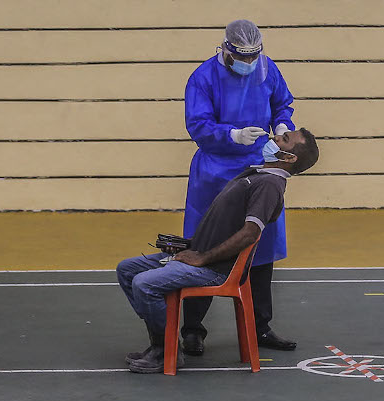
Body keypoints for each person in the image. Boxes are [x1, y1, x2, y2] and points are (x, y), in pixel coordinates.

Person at [117, 129, 319, 373]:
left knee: (144, 284)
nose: (276, 137)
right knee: (127, 270)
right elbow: (225, 226)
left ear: (289, 158)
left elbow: (250, 233)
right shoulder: (259, 174)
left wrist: (202, 257)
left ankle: (164, 350)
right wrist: (190, 245)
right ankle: (163, 337)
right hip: (201, 254)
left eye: (284, 139)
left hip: (217, 269)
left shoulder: (269, 184)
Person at [182, 19, 298, 356]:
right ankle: (192, 330)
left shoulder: (266, 68)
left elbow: (282, 103)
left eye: (254, 57)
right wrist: (231, 135)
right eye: (242, 58)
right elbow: (198, 124)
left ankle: (260, 326)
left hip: (260, 163)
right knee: (203, 243)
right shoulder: (203, 78)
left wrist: (281, 124)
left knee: (260, 244)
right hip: (216, 170)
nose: (249, 64)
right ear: (226, 50)